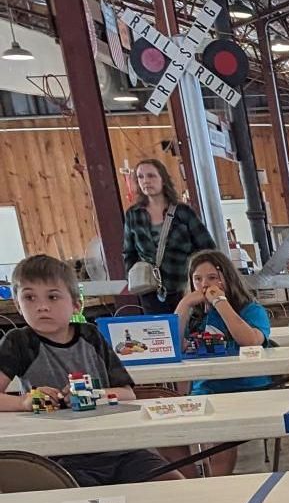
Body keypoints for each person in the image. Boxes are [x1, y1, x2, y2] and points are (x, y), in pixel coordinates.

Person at [0, 255, 179, 486]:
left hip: (119, 449)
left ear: (76, 304)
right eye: (29, 297)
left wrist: (94, 395)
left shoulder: (91, 336)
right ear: (17, 304)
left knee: (175, 485)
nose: (42, 306)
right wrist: (24, 402)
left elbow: (128, 393)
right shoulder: (18, 342)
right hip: (60, 458)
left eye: (53, 297)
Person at [156, 250, 273, 478]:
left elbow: (250, 341)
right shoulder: (194, 314)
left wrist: (220, 302)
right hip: (204, 391)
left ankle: (217, 485)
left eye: (212, 278)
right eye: (197, 279)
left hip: (246, 389)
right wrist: (184, 305)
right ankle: (194, 483)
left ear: (226, 278)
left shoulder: (252, 310)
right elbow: (172, 347)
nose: (204, 285)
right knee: (163, 432)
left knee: (218, 430)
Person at [122, 158, 216, 312]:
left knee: (189, 331)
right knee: (158, 332)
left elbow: (207, 249)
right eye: (140, 177)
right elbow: (128, 252)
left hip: (183, 286)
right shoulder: (133, 215)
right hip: (149, 291)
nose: (145, 181)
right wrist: (134, 276)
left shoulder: (183, 213)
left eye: (151, 176)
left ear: (163, 179)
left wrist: (200, 280)